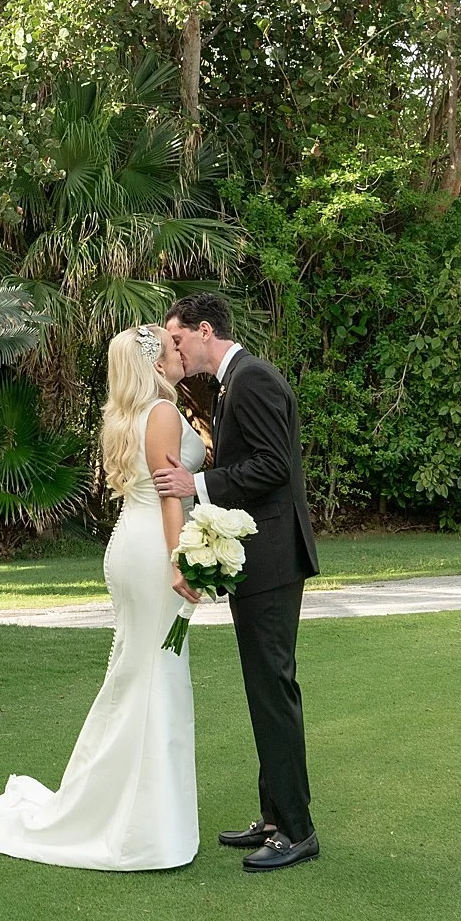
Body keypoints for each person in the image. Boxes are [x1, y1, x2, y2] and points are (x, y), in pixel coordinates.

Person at [0, 325, 204, 870]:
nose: (180, 352)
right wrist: (180, 557)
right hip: (152, 550)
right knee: (155, 672)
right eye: (171, 347)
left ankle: (126, 805)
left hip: (130, 546)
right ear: (155, 363)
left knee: (141, 671)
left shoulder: (127, 415)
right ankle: (141, 823)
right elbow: (167, 497)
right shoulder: (160, 415)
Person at [152, 291, 322, 871]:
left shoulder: (252, 380)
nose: (174, 349)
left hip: (273, 560)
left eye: (177, 339)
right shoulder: (233, 383)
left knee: (272, 689)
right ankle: (274, 817)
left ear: (205, 331)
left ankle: (296, 832)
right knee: (263, 687)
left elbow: (275, 467)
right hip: (260, 558)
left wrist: (196, 488)